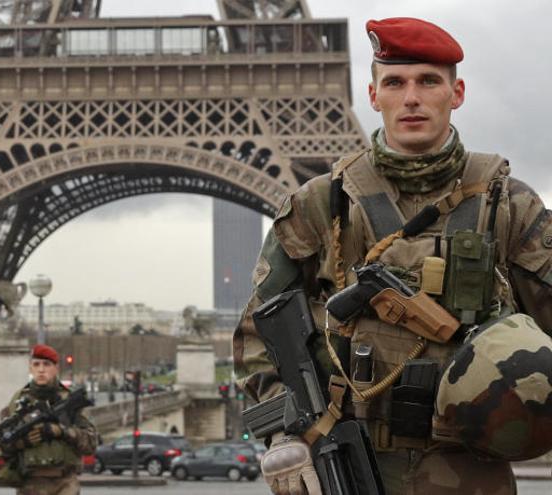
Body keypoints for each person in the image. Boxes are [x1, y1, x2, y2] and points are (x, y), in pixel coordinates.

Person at [233, 17, 552, 495]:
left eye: (428, 81)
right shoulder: (319, 204)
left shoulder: (511, 206)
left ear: (457, 92)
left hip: (469, 468)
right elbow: (257, 334)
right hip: (346, 460)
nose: (411, 98)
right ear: (373, 94)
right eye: (395, 83)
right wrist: (283, 430)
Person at [0, 344, 97, 495]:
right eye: (36, 364)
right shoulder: (18, 401)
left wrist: (62, 431)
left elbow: (91, 443)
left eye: (46, 364)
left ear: (56, 368)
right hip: (30, 484)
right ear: (30, 368)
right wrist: (22, 443)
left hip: (65, 483)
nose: (41, 370)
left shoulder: (70, 401)